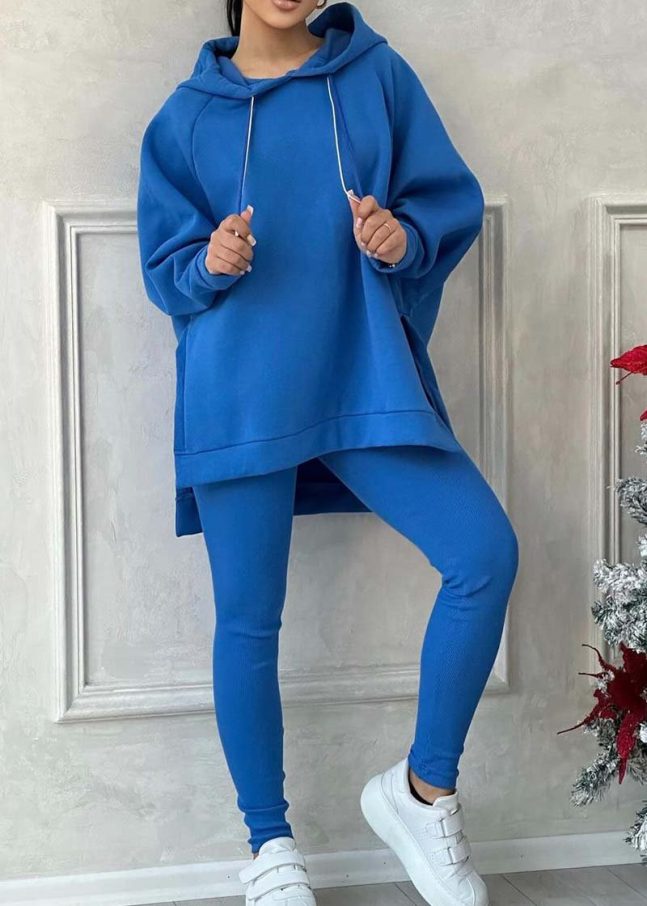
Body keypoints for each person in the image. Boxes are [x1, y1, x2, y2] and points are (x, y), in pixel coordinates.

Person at [136, 1, 519, 904]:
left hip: (360, 374)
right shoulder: (185, 115)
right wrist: (208, 263)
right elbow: (165, 268)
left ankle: (422, 792)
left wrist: (401, 237)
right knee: (248, 621)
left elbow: (442, 205)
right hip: (238, 394)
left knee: (483, 554)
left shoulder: (375, 77)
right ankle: (269, 846)